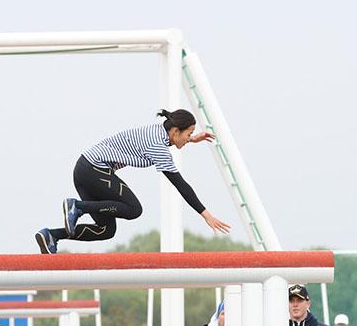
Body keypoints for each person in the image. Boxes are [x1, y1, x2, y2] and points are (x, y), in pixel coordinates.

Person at [34, 109, 230, 254]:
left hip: (84, 170)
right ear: (175, 131)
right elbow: (181, 185)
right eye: (188, 134)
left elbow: (174, 139)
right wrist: (206, 215)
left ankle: (52, 235)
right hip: (94, 168)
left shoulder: (159, 131)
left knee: (105, 230)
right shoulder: (158, 148)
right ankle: (77, 207)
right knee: (133, 209)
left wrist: (192, 139)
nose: (189, 138)